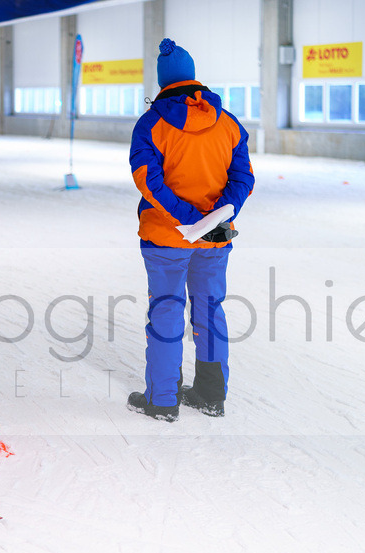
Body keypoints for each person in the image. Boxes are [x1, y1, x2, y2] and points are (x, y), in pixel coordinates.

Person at [126, 39, 254, 421]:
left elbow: (147, 178)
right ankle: (211, 395)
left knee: (166, 312)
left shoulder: (152, 123)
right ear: (194, 78)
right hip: (214, 239)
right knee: (210, 311)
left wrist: (187, 220)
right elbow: (243, 177)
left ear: (163, 81)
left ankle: (163, 401)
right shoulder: (228, 122)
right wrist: (216, 216)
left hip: (167, 237)